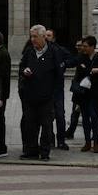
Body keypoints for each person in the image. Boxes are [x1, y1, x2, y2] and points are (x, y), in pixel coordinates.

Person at [18, 25, 62, 161]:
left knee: (46, 126)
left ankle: (44, 152)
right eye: (31, 36)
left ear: (43, 37)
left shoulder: (54, 51)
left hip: (47, 97)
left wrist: (54, 94)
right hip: (30, 96)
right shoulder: (29, 52)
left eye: (35, 37)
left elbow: (59, 75)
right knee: (30, 125)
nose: (32, 39)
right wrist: (24, 71)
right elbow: (21, 67)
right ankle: (31, 151)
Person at [73, 36, 98, 152]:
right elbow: (79, 73)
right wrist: (91, 71)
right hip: (83, 93)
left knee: (93, 115)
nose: (83, 48)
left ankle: (95, 141)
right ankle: (87, 142)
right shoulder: (81, 57)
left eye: (86, 46)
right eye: (82, 46)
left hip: (95, 93)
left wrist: (90, 72)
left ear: (92, 47)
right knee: (85, 117)